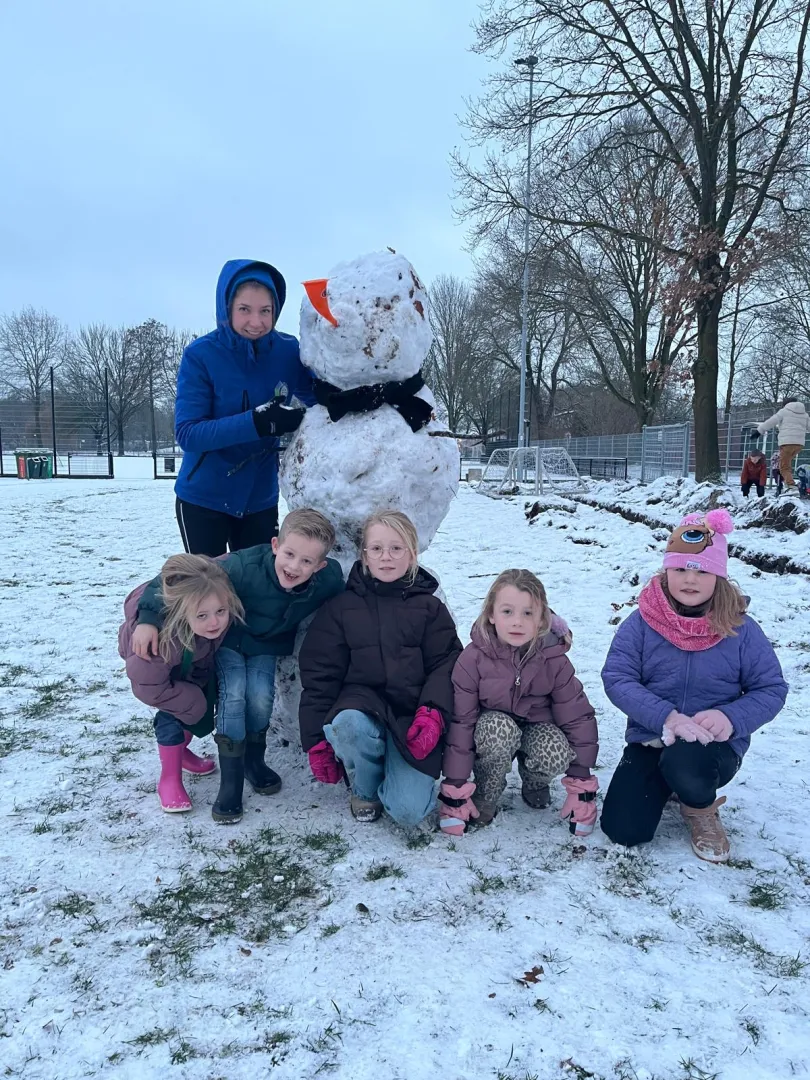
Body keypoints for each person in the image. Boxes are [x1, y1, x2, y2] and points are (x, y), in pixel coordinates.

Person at [131, 509, 344, 823]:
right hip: (229, 639)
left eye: (306, 561)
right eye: (289, 554)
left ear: (320, 565)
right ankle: (230, 782)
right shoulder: (242, 567)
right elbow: (181, 579)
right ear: (275, 545)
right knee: (234, 695)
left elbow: (351, 597)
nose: (294, 566)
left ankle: (252, 762)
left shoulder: (328, 579)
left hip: (266, 645)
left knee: (260, 697)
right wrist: (148, 618)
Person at [600, 509, 788, 863]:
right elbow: (617, 677)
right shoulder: (641, 622)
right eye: (680, 569)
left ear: (719, 575)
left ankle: (699, 807)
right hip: (653, 737)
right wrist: (666, 718)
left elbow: (771, 688)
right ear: (666, 571)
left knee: (685, 761)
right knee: (624, 829)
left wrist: (730, 717)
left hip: (710, 747)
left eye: (702, 570)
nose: (690, 579)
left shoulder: (741, 629)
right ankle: (666, 784)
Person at [299, 510, 462, 826]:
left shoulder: (430, 608)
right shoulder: (341, 608)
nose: (386, 557)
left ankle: (397, 770)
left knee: (409, 812)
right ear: (364, 555)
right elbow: (320, 676)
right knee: (347, 725)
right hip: (362, 710)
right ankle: (366, 784)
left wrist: (433, 713)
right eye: (376, 548)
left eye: (396, 548)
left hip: (411, 719)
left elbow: (447, 664)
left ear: (412, 554)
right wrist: (315, 740)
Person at [173, 259, 315, 557]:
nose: (256, 321)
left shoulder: (287, 351)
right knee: (209, 582)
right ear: (227, 308)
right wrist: (257, 422)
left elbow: (317, 397)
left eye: (265, 311)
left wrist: (347, 397)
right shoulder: (201, 355)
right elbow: (188, 434)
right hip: (204, 498)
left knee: (258, 582)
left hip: (259, 499)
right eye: (244, 309)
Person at [440, 569, 598, 835]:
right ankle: (487, 792)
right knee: (498, 730)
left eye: (528, 613)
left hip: (536, 726)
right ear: (491, 615)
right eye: (507, 612)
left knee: (555, 749)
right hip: (493, 730)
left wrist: (581, 780)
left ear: (542, 619)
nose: (517, 622)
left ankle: (535, 781)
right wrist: (455, 785)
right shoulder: (473, 659)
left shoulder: (553, 659)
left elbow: (576, 715)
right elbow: (462, 720)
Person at [119, 554, 244, 813]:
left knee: (195, 711)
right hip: (161, 682)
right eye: (202, 615)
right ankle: (169, 779)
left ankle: (181, 753)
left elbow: (212, 563)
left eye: (221, 611)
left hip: (191, 665)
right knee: (173, 719)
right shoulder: (161, 642)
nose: (214, 622)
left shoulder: (211, 590)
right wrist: (192, 701)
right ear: (180, 611)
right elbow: (147, 685)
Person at [756, 398, 810, 497]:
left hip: (787, 443)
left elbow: (771, 421)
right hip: (799, 444)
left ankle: (791, 487)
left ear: (785, 404)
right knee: (786, 464)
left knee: (783, 467)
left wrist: (760, 430)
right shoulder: (804, 414)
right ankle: (787, 485)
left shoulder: (784, 411)